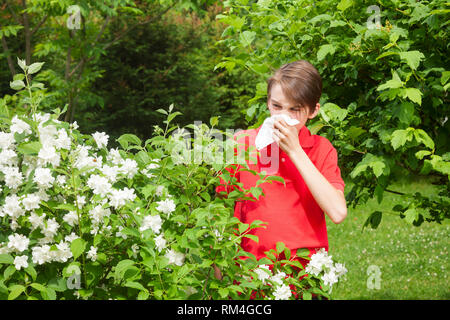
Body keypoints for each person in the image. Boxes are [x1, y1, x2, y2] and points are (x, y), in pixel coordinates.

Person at [214, 60, 347, 289]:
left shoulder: (321, 149)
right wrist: (219, 281)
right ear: (267, 103)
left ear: (314, 110)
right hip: (249, 277)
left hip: (301, 277)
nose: (283, 117)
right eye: (277, 106)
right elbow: (220, 216)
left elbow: (337, 212)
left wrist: (295, 150)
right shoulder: (243, 144)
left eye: (294, 109)